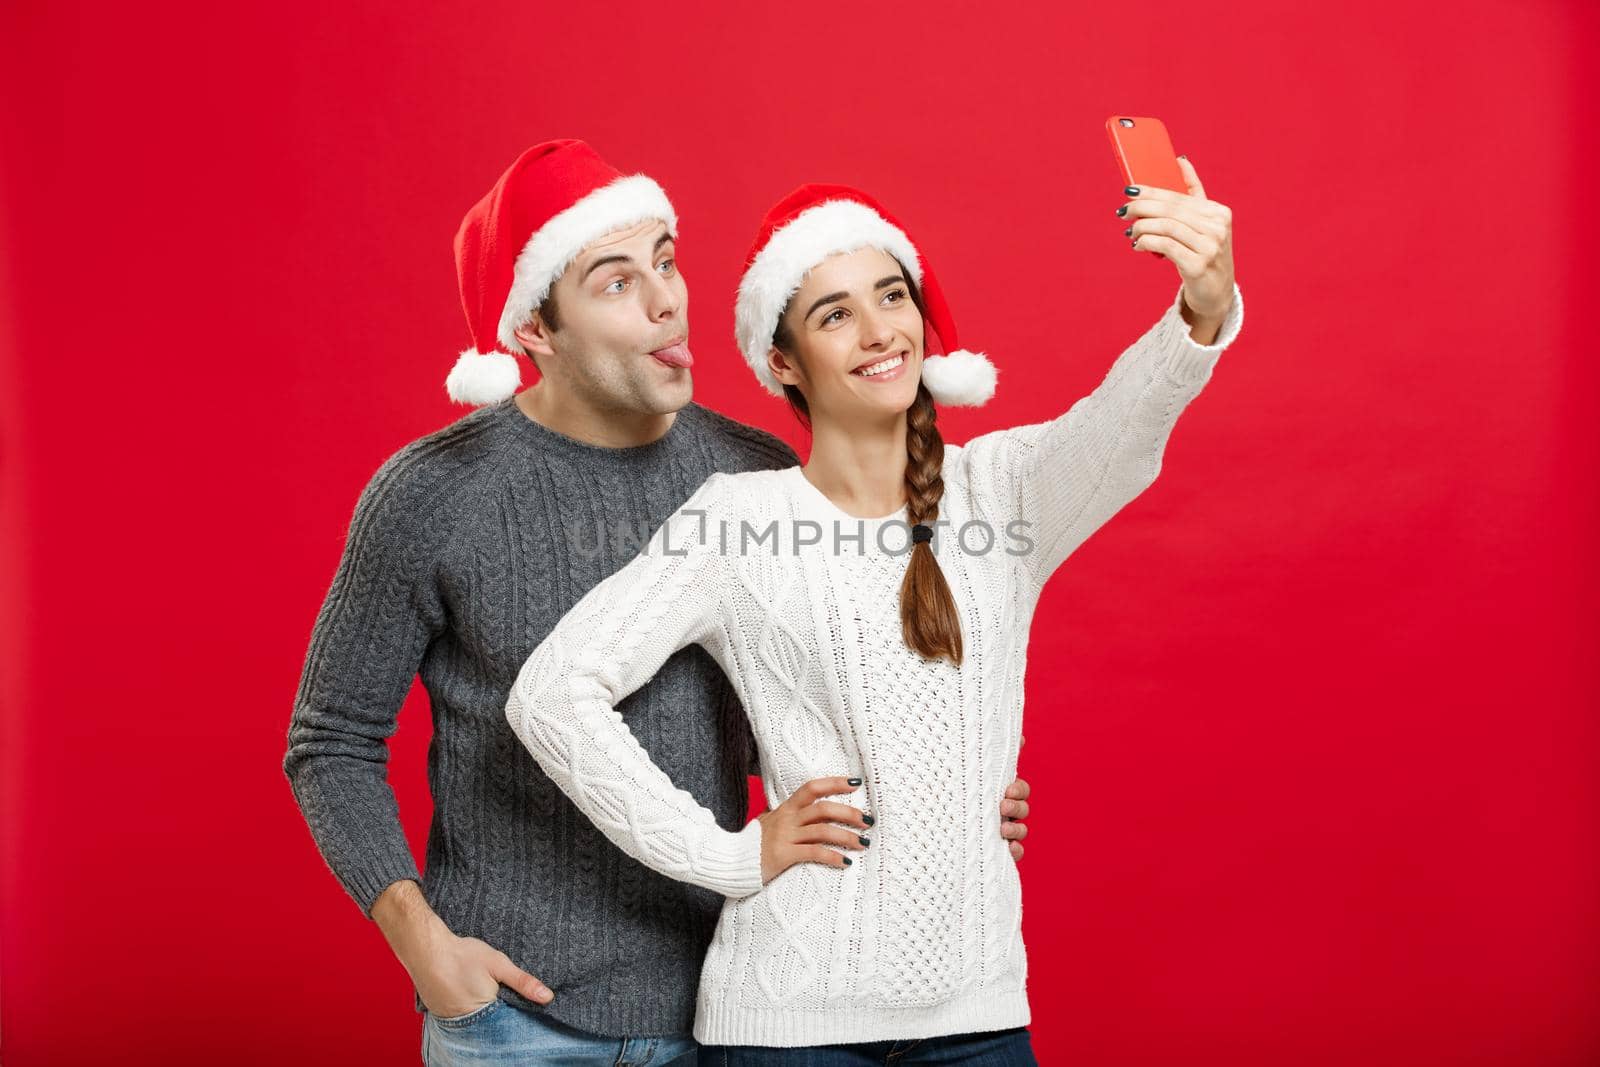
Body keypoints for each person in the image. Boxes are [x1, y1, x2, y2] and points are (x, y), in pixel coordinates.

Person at [283, 139, 1035, 1067]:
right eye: (614, 282)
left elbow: (832, 690)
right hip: (514, 1020)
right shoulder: (434, 494)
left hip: (725, 1006)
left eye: (667, 261)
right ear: (535, 331)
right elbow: (332, 739)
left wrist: (946, 792)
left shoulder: (753, 475)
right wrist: (424, 944)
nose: (666, 300)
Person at [502, 171, 1243, 1062]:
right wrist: (728, 856)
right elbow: (551, 694)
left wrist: (1203, 305)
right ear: (784, 364)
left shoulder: (1003, 491)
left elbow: (1130, 419)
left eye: (892, 296)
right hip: (787, 1026)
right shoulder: (737, 519)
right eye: (834, 314)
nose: (879, 330)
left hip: (976, 1018)